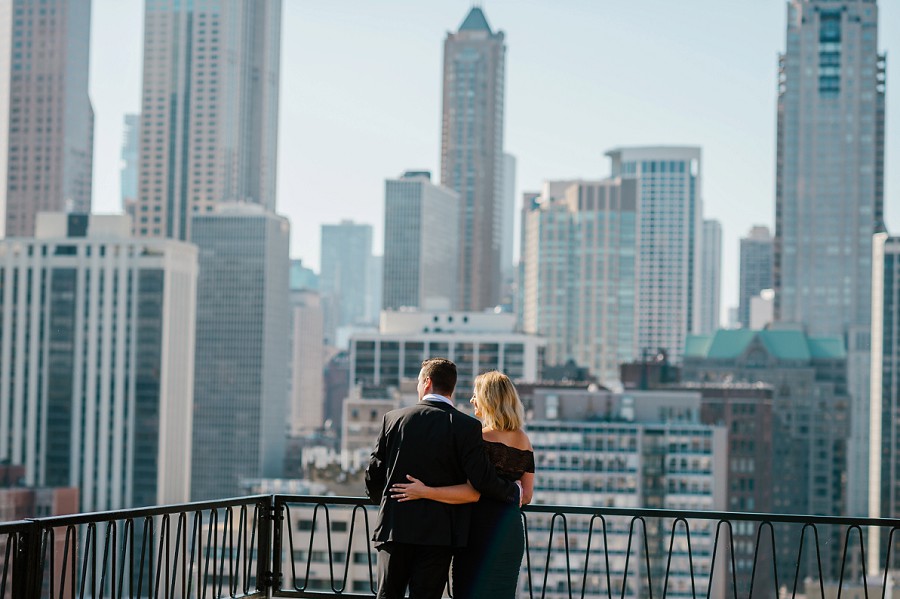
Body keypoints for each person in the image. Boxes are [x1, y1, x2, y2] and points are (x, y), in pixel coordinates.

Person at [365, 358, 522, 599]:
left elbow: (373, 475)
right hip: (440, 534)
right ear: (452, 387)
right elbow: (482, 479)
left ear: (427, 382)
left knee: (388, 595)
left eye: (419, 381)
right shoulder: (466, 427)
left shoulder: (394, 419)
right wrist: (514, 492)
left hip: (396, 529)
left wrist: (390, 502)